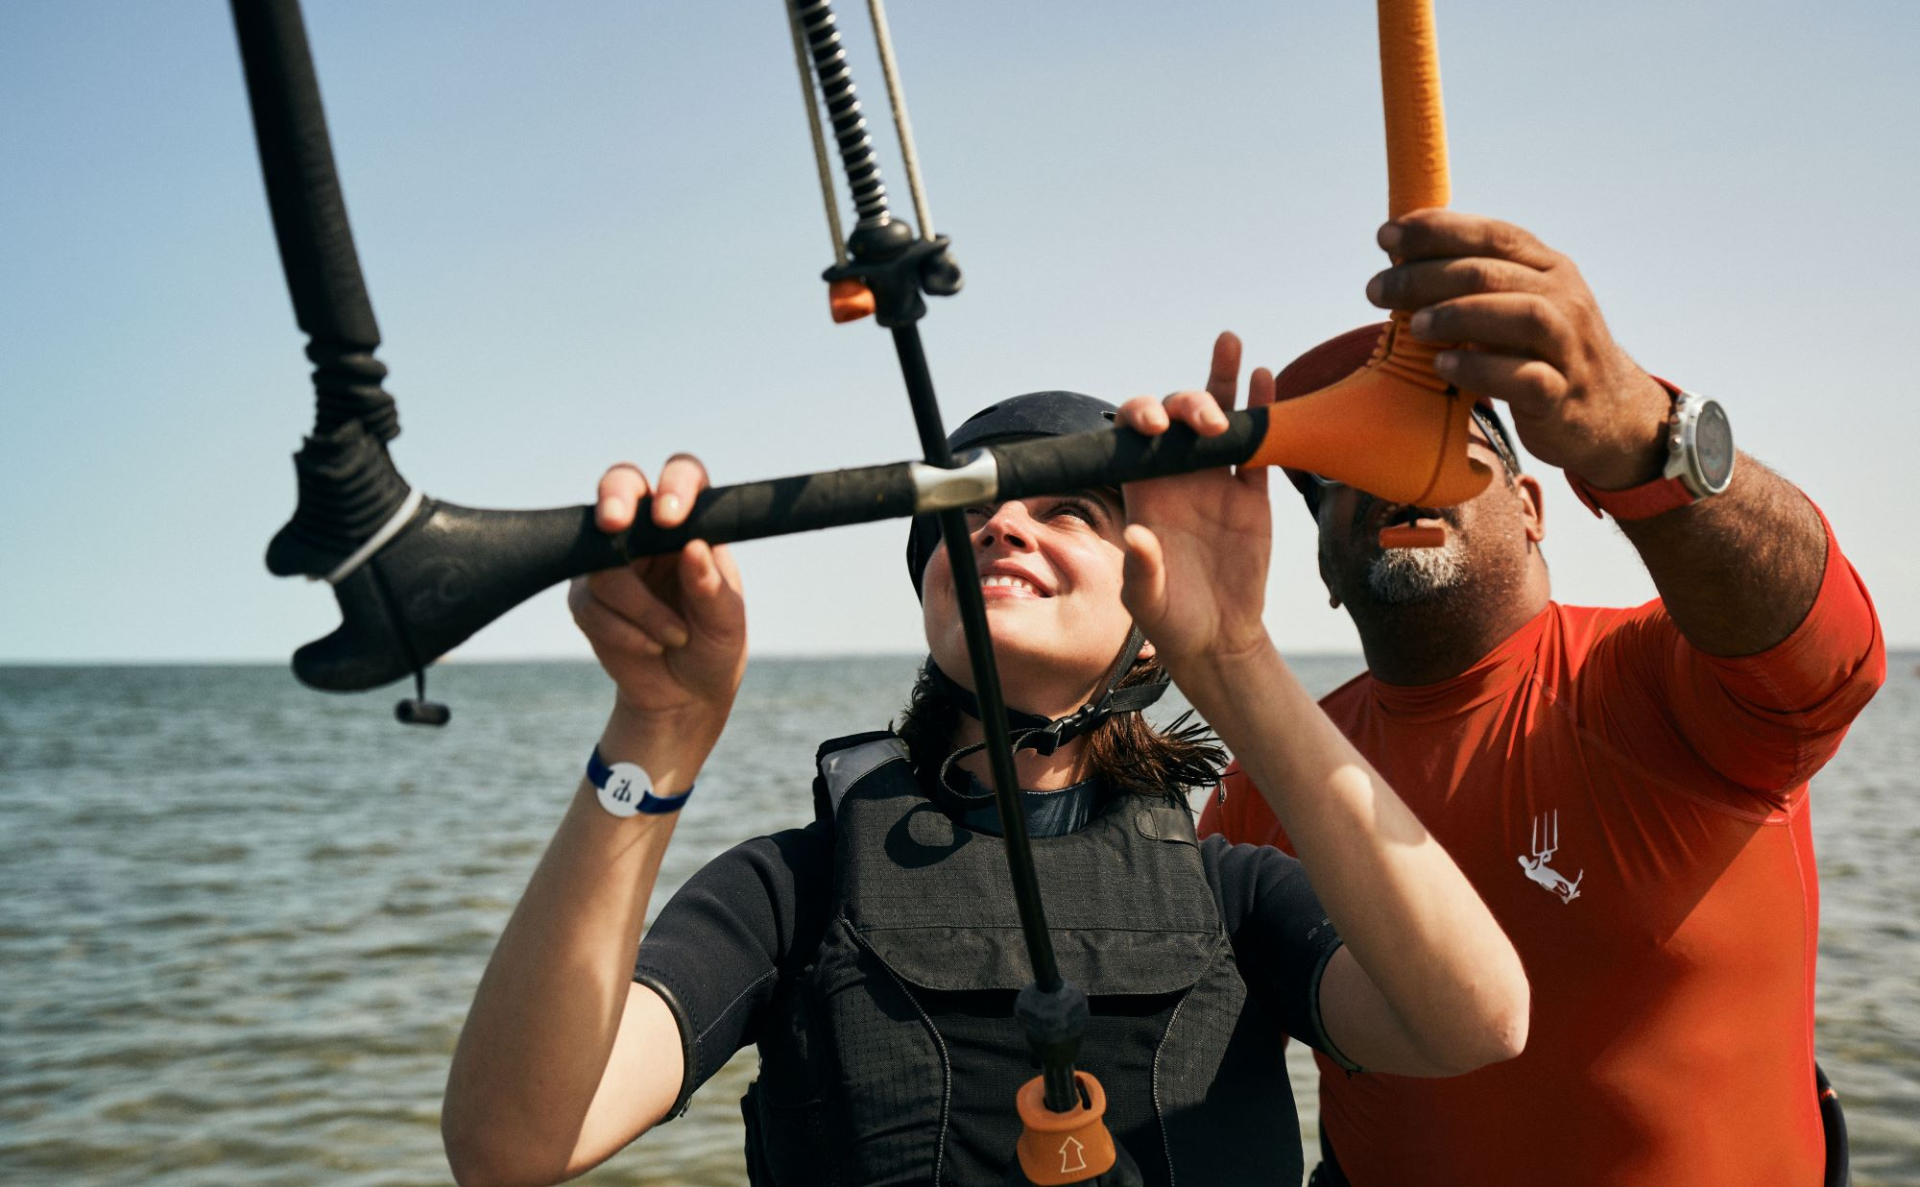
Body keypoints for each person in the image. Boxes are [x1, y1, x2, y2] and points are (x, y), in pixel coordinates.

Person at [439, 341, 1530, 1187]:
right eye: (968, 514)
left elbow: (1476, 1021)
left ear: (1148, 617)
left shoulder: (1235, 892)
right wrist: (655, 730)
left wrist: (1233, 657)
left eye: (1066, 510)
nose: (1001, 526)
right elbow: (513, 1145)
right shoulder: (793, 890)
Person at [1201, 209, 1888, 1186]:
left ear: (1532, 510)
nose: (1392, 471)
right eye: (1344, 468)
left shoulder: (1658, 678)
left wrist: (1643, 431)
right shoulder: (1267, 781)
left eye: (1443, 435)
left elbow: (1829, 657)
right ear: (1322, 566)